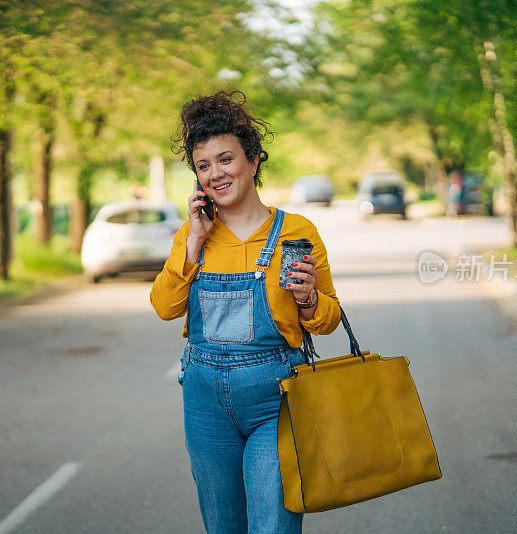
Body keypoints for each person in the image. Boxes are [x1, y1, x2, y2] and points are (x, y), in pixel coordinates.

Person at [150, 90, 341, 534]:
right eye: (203, 166)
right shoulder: (191, 235)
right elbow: (163, 307)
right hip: (203, 399)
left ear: (253, 161)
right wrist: (195, 242)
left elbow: (329, 320)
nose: (216, 174)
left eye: (225, 159)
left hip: (276, 397)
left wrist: (309, 299)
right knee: (223, 526)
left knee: (274, 525)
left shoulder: (297, 231)